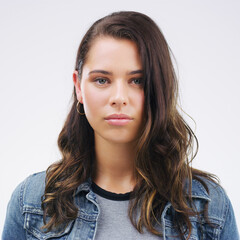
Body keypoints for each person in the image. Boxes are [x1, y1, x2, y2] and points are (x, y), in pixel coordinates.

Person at [2, 11, 239, 240]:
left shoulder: (209, 208)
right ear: (78, 86)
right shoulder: (32, 202)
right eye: (102, 80)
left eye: (137, 81)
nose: (118, 97)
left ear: (160, 87)